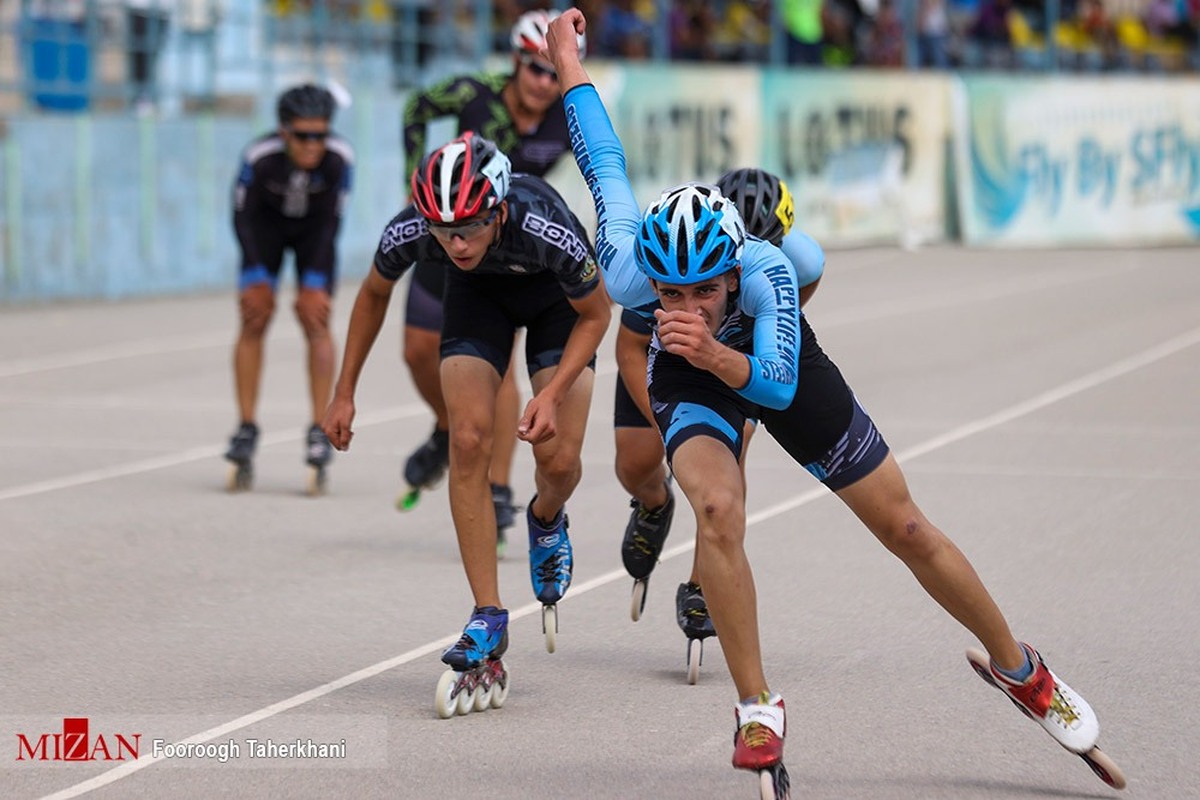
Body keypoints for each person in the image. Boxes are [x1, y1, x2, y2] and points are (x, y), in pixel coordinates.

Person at [544, 8, 1112, 789]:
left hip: (775, 361)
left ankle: (1023, 672)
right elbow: (602, 157)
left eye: (704, 290)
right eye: (670, 291)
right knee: (717, 510)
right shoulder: (627, 264)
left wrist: (716, 348)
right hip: (690, 375)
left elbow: (776, 385)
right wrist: (567, 58)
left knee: (905, 526)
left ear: (733, 270)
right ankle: (757, 708)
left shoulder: (772, 268)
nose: (686, 303)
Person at [321, 132, 610, 671]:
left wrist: (551, 394)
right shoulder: (416, 226)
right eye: (444, 231)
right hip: (478, 301)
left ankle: (546, 516)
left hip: (557, 305)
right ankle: (487, 613)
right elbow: (374, 293)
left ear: (498, 210)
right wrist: (344, 392)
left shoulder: (545, 224)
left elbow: (596, 314)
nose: (456, 244)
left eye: (471, 227)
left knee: (558, 460)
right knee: (469, 441)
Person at [397, 10, 587, 555]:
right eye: (534, 69)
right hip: (452, 232)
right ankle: (447, 428)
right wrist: (412, 180)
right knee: (416, 351)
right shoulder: (475, 94)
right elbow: (415, 107)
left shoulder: (566, 118)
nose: (543, 83)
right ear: (515, 62)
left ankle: (498, 487)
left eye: (553, 73)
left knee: (497, 367)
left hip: (509, 244)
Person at [224, 83, 353, 495]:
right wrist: (256, 276)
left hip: (314, 235)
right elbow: (241, 219)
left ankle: (319, 427)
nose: (313, 145)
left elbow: (331, 225)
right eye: (303, 136)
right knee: (254, 316)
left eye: (321, 135)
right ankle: (246, 425)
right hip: (265, 233)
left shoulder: (340, 158)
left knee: (316, 318)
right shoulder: (258, 158)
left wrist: (314, 285)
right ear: (283, 132)